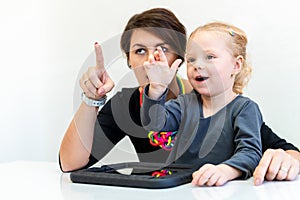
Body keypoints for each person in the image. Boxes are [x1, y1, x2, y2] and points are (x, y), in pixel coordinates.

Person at [59, 8, 300, 185]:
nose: (152, 59)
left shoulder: (219, 100)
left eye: (163, 49)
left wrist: (287, 160)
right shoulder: (129, 104)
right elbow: (70, 164)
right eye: (140, 51)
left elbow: (280, 150)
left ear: (179, 59)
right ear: (129, 61)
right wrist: (92, 99)